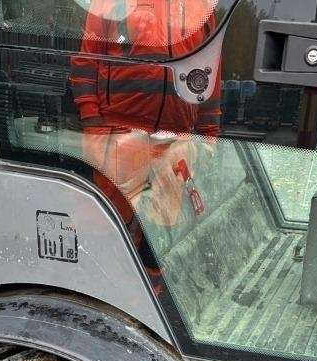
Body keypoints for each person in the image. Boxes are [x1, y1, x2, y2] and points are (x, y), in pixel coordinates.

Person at [69, 0, 222, 232]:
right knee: (106, 226)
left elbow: (209, 76)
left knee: (161, 234)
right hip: (118, 137)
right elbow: (86, 62)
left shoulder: (202, 6)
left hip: (175, 143)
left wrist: (207, 139)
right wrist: (95, 125)